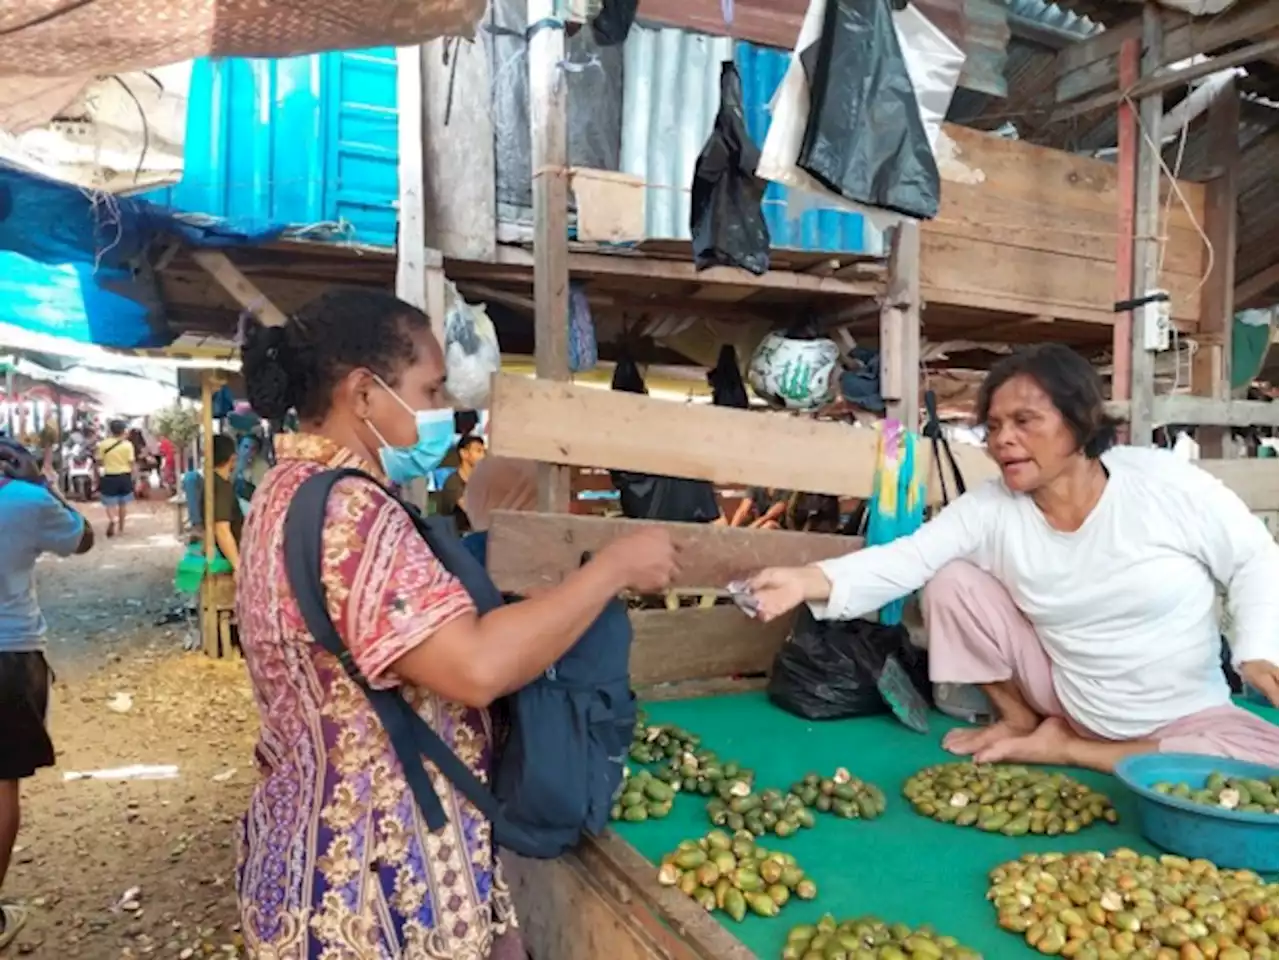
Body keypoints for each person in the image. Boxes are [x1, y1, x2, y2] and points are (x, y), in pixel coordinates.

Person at [234, 288, 678, 959]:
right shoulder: (349, 512)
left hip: (314, 846)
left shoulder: (285, 487)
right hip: (368, 884)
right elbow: (475, 668)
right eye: (432, 390)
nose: (445, 411)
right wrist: (611, 569)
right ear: (363, 394)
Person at [747, 343, 1280, 773]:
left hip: (1185, 717)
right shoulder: (991, 508)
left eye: (1025, 421)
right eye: (995, 427)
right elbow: (909, 558)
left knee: (1266, 760)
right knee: (950, 579)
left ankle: (1070, 751)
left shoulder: (1164, 483)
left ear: (1079, 421)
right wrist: (805, 580)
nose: (1005, 440)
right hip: (1070, 698)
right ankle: (1023, 722)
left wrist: (1258, 649)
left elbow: (1254, 557)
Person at [0, 439, 93, 949]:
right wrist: (41, 483)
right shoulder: (25, 500)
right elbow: (83, 539)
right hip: (9, 654)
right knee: (2, 786)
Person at [95, 420, 136, 537]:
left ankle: (113, 519)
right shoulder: (128, 445)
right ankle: (121, 529)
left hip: (109, 475)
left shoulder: (103, 444)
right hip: (124, 476)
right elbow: (131, 462)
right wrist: (133, 476)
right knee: (123, 504)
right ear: (123, 430)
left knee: (109, 503)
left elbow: (99, 461)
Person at [439, 434, 486, 533]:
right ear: (464, 453)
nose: (483, 456)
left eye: (483, 452)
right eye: (478, 451)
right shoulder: (453, 482)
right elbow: (469, 508)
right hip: (456, 536)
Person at [210, 434, 243, 572]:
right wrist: (238, 566)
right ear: (233, 458)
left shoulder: (214, 481)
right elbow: (222, 529)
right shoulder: (221, 487)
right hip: (229, 556)